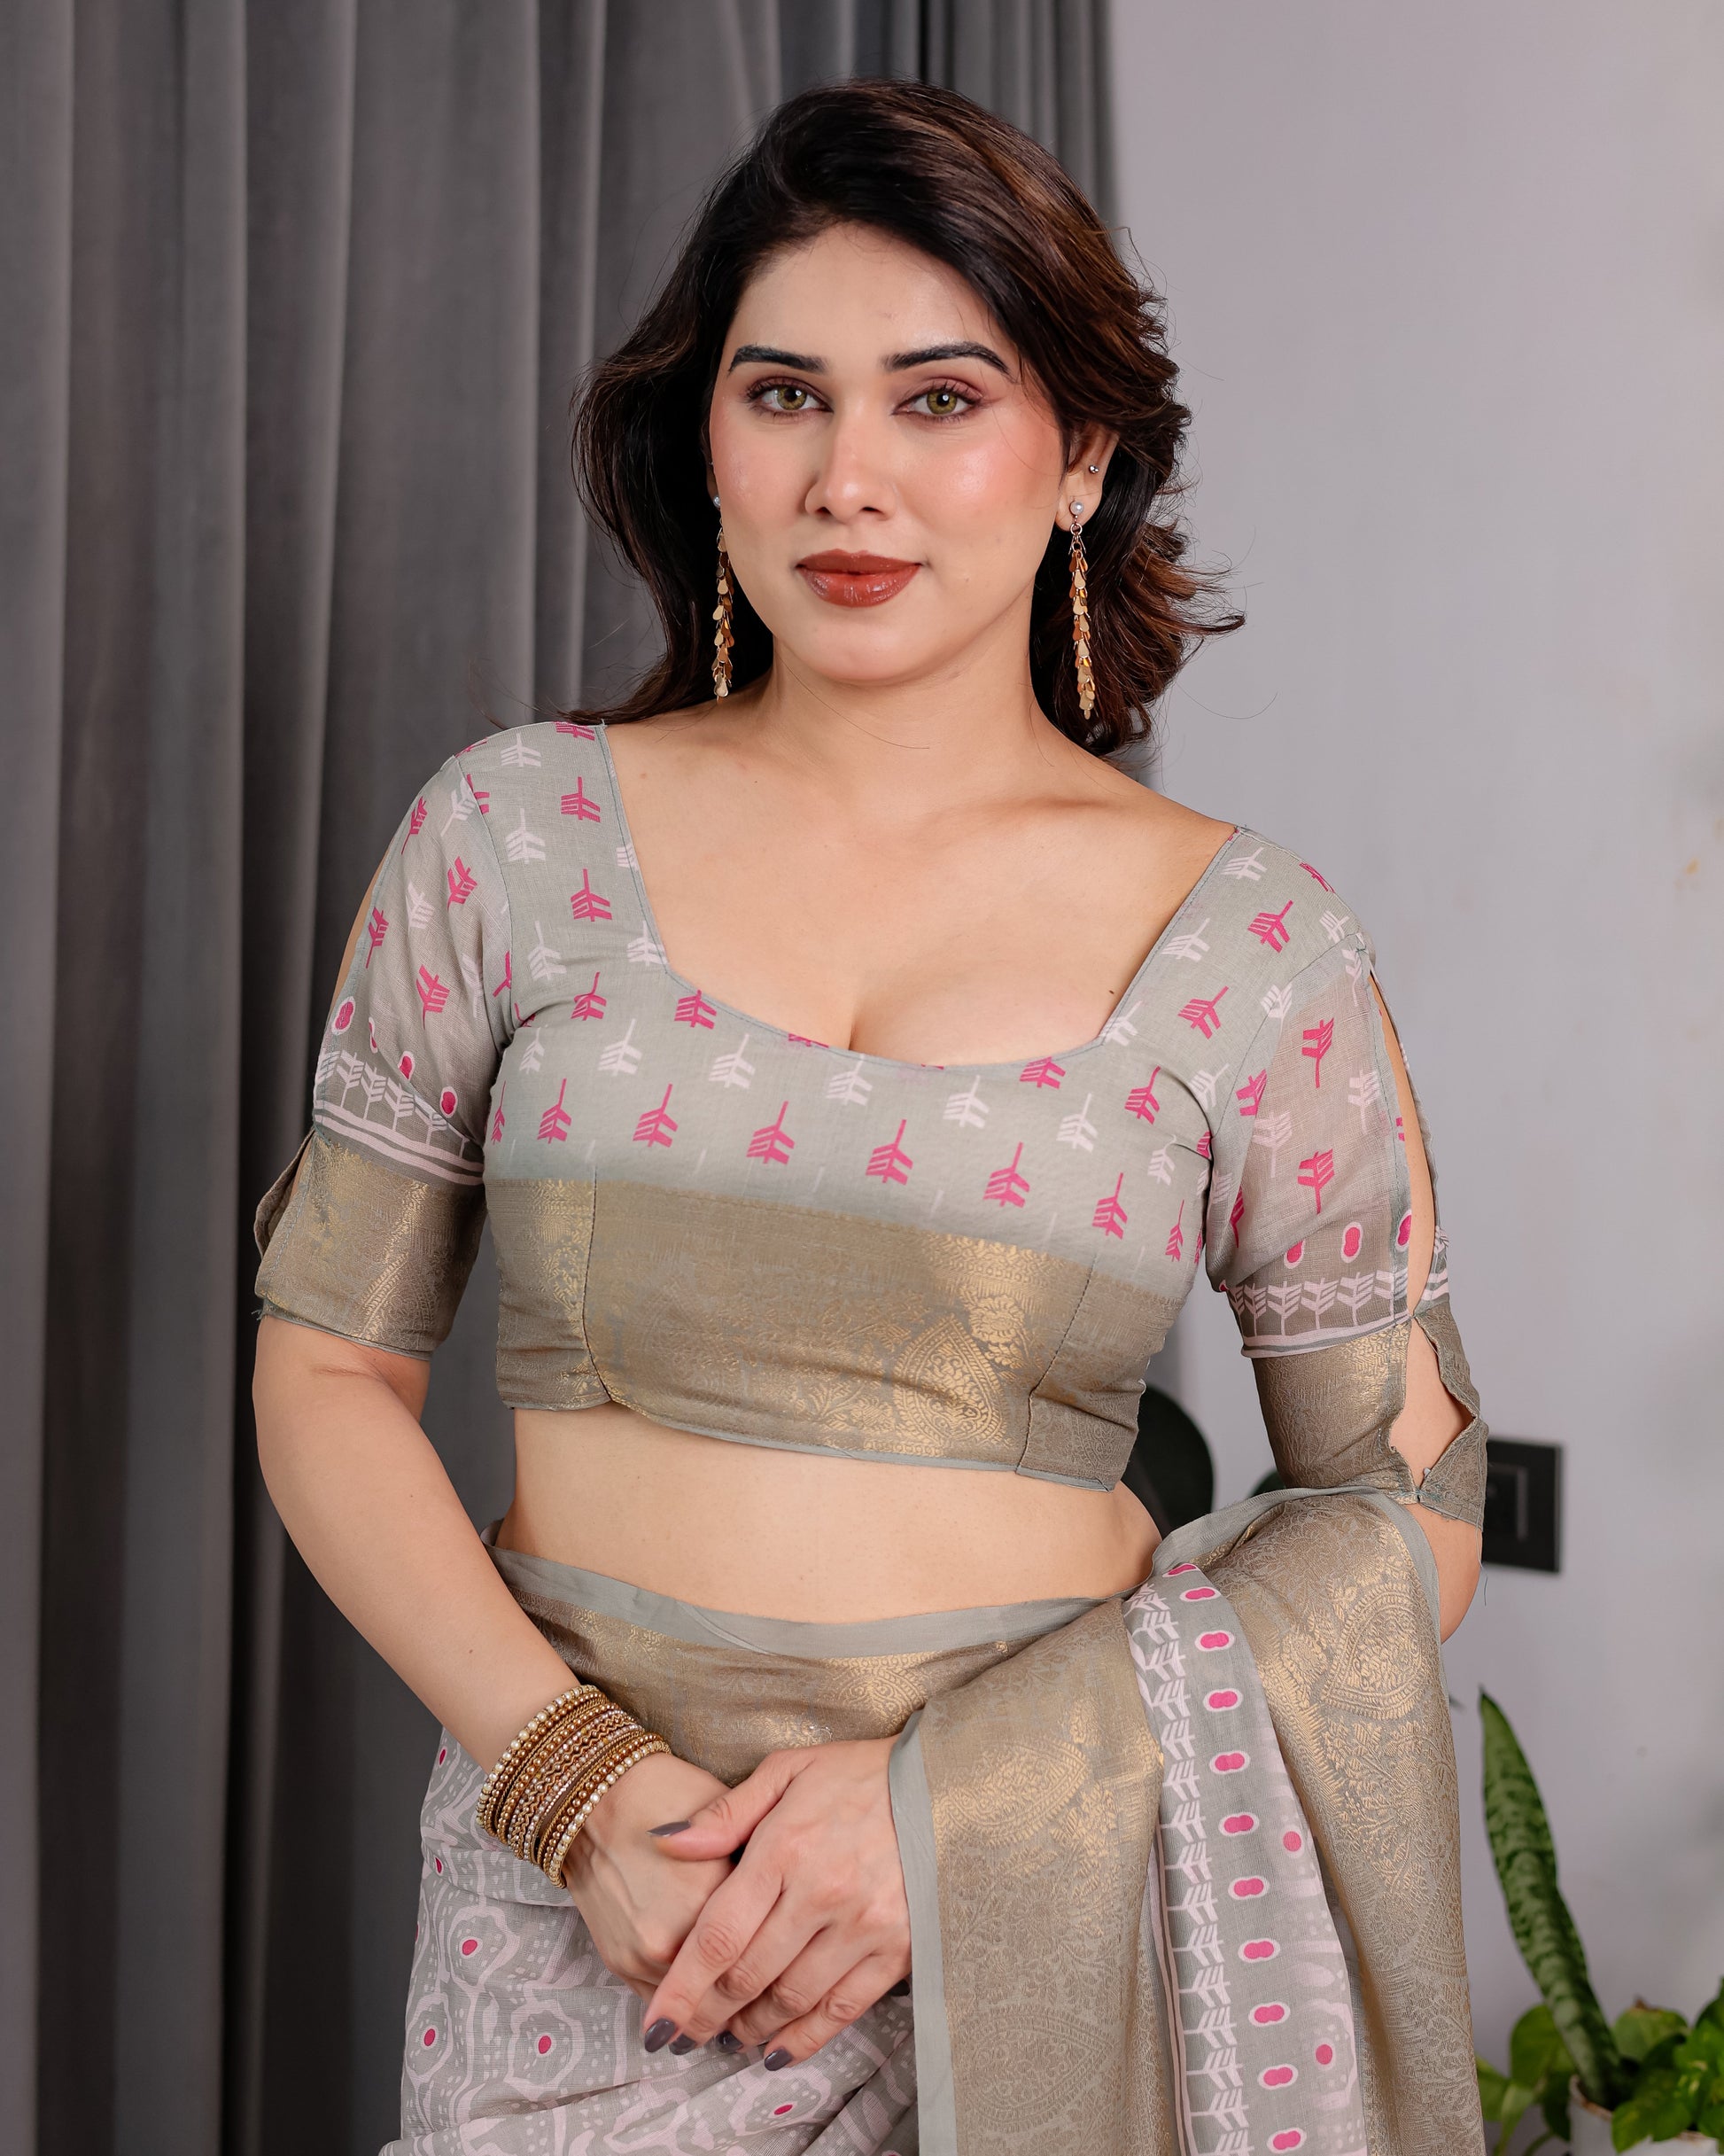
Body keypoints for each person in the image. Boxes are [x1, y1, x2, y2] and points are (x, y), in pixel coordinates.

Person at [252, 80, 1487, 2156]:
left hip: (1048, 1922)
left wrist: (953, 1815)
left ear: (1078, 455)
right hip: (594, 1916)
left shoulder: (1247, 945)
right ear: (704, 442)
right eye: (782, 395)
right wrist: (578, 1788)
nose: (849, 478)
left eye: (938, 399)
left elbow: (1407, 1499)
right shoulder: (513, 838)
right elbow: (325, 1367)